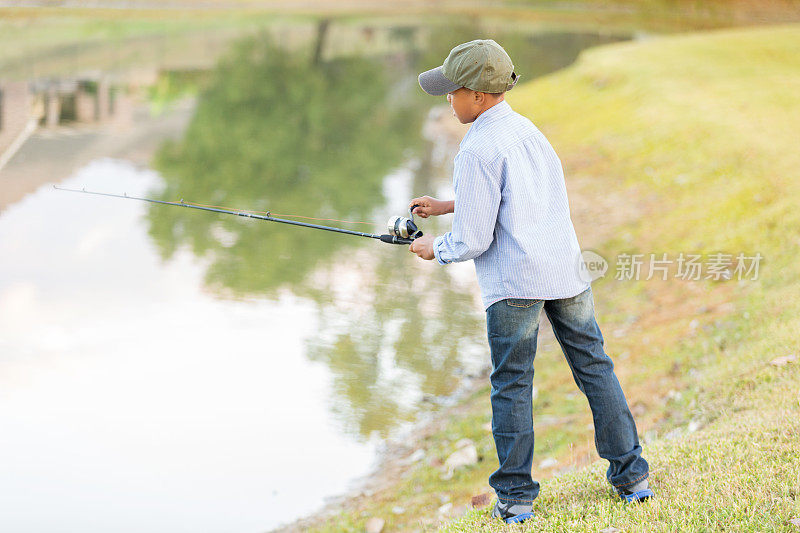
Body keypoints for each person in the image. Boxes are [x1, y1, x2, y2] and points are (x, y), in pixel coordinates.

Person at [408, 39, 652, 524]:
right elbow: (514, 193)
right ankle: (633, 478)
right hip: (564, 271)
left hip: (516, 283)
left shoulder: (476, 146)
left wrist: (433, 247)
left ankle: (516, 498)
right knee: (595, 369)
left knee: (512, 384)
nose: (448, 101)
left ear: (477, 94)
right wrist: (446, 204)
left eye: (452, 92)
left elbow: (474, 239)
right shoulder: (527, 130)